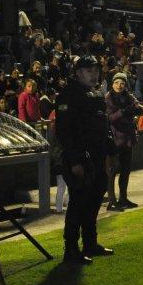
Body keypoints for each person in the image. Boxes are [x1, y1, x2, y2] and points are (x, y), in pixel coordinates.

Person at [55, 55, 114, 263]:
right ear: (78, 73)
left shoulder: (95, 94)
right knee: (78, 204)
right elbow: (65, 132)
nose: (94, 74)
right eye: (89, 71)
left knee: (93, 201)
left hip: (96, 159)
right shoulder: (68, 96)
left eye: (96, 70)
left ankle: (90, 243)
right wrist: (75, 161)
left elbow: (102, 127)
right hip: (79, 159)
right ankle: (71, 249)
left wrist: (108, 152)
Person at [104, 72, 140, 211]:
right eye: (117, 83)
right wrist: (125, 111)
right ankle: (112, 201)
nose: (119, 85)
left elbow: (140, 108)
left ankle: (123, 198)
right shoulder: (108, 98)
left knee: (125, 171)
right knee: (111, 171)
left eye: (122, 83)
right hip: (114, 140)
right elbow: (110, 118)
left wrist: (133, 109)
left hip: (127, 139)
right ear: (112, 84)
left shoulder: (129, 96)